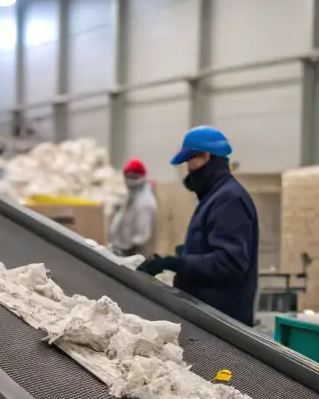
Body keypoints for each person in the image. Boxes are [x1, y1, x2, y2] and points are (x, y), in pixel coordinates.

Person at [138, 126, 259, 326]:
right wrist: (188, 252)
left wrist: (176, 263)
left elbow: (231, 262)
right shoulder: (215, 196)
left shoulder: (229, 200)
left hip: (222, 324)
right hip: (207, 317)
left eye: (189, 161)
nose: (188, 169)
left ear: (205, 157)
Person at [108, 159, 158, 258]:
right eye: (127, 177)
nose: (128, 181)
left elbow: (143, 235)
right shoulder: (132, 196)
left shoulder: (145, 202)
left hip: (136, 256)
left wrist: (126, 251)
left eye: (132, 177)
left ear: (141, 177)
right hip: (124, 252)